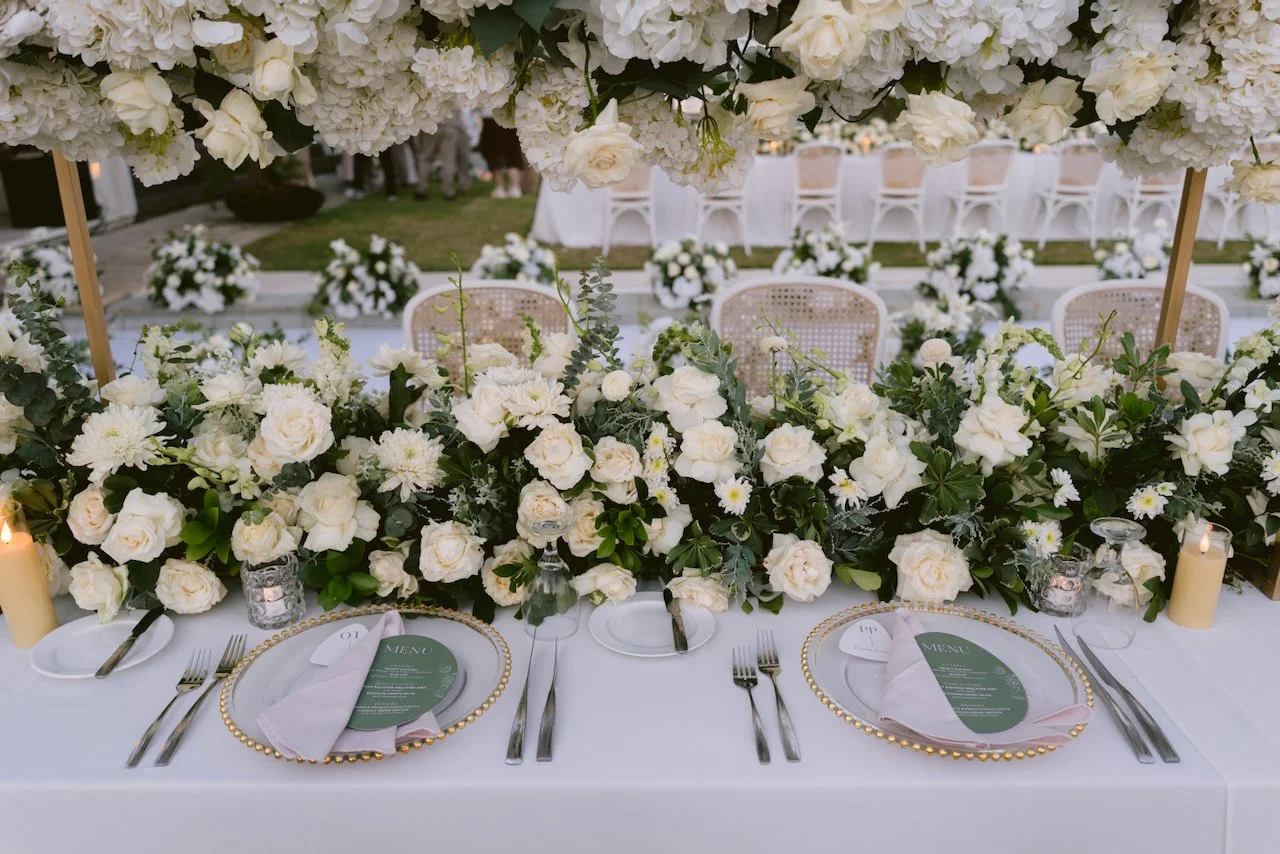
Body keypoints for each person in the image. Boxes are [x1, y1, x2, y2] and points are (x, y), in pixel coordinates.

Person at [413, 110, 472, 201]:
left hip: (431, 125)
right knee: (448, 161)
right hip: (451, 126)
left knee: (425, 158)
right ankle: (448, 191)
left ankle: (421, 190)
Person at [478, 112, 525, 199]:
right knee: (512, 155)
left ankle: (500, 188)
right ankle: (514, 187)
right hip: (510, 119)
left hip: (492, 120)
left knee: (495, 155)